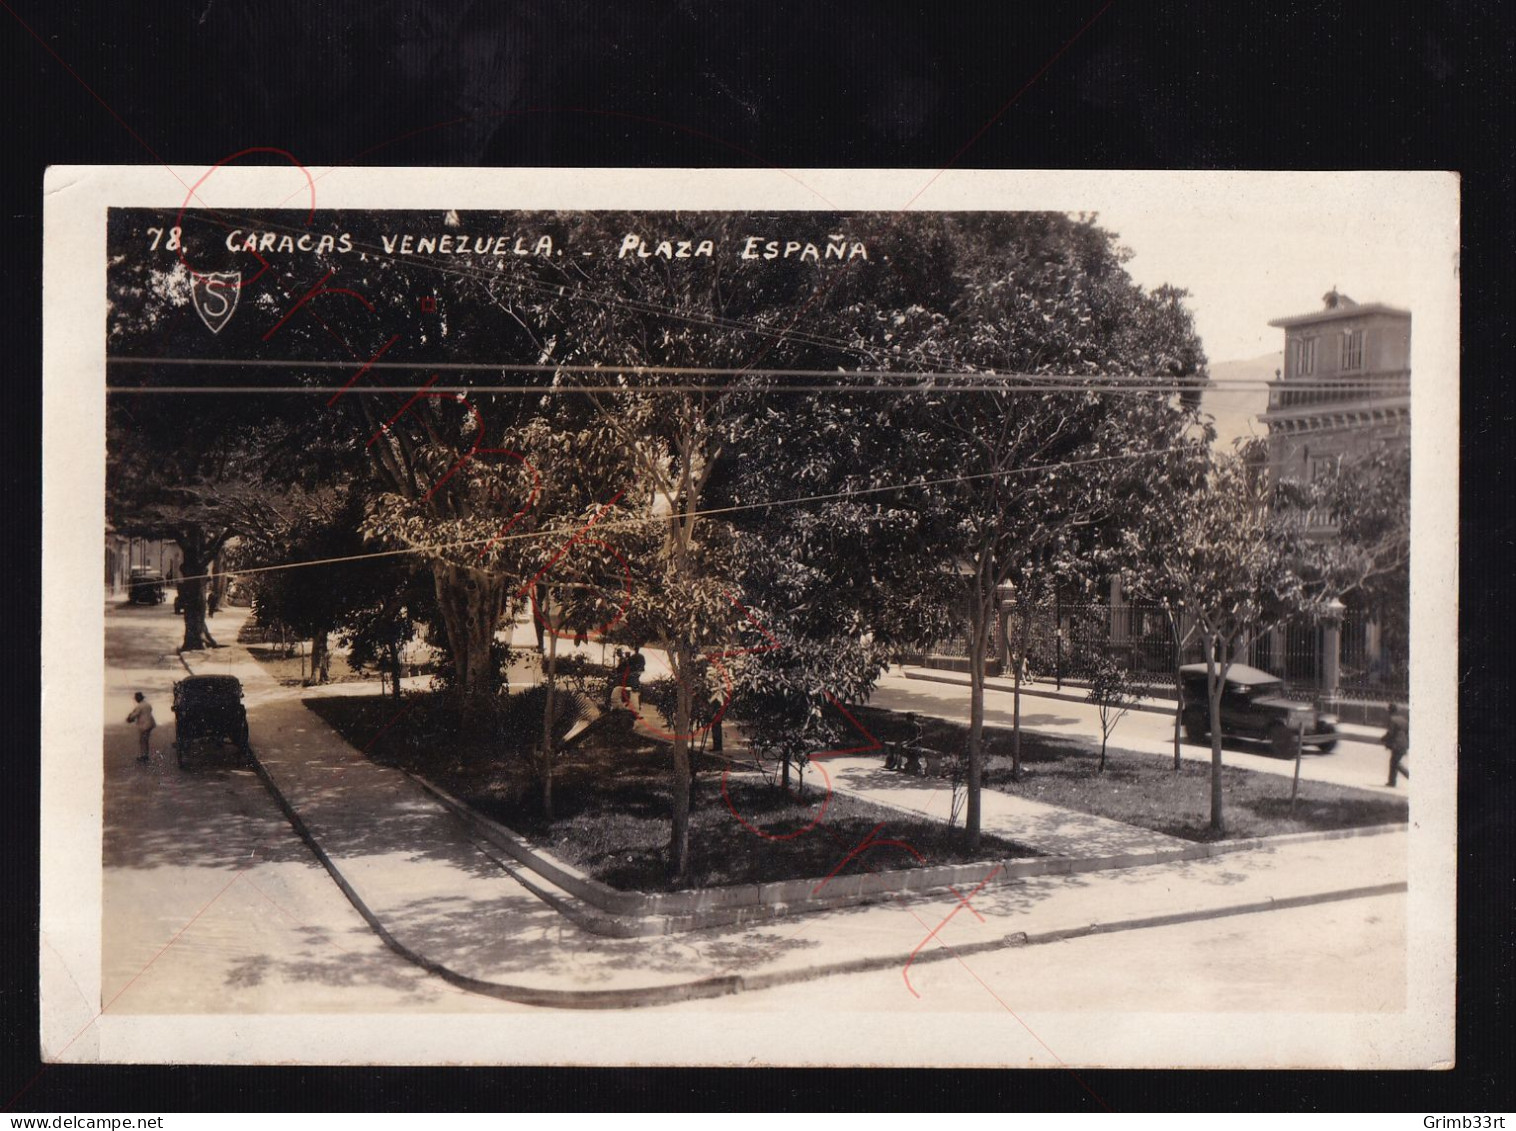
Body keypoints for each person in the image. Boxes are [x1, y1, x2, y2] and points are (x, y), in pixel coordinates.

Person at [1383, 701, 1410, 787]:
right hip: (1404, 744)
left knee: (1395, 763)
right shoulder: (1404, 720)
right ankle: (1392, 782)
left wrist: (1383, 739)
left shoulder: (1392, 720)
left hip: (1397, 744)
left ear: (1390, 711)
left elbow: (1390, 733)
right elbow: (1406, 732)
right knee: (1393, 761)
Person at [126, 691, 156, 764]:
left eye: (136, 698)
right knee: (145, 741)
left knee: (142, 741)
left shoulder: (139, 706)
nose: (135, 700)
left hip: (144, 725)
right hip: (150, 724)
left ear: (138, 698)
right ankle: (145, 755)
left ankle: (144, 756)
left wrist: (129, 717)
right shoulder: (147, 704)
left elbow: (134, 715)